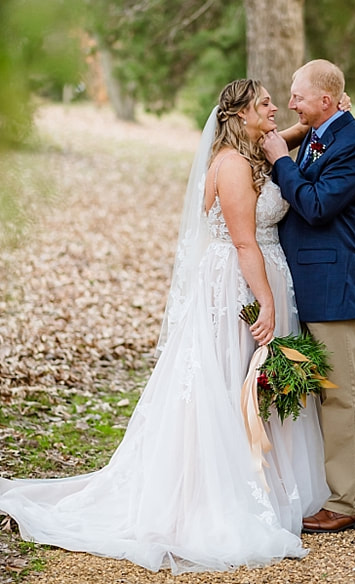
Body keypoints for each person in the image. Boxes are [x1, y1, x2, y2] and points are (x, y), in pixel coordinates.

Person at [0, 80, 330, 573]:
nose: (274, 108)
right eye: (264, 103)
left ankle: (265, 482)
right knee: (230, 380)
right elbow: (244, 243)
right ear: (241, 115)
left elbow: (281, 136)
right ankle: (217, 493)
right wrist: (266, 302)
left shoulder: (252, 151)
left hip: (259, 275)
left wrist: (316, 119)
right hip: (240, 284)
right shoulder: (236, 165)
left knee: (251, 381)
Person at [262, 59, 355, 534]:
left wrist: (280, 160)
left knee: (341, 396)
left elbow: (313, 206)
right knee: (313, 393)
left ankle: (350, 502)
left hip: (336, 287)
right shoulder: (321, 132)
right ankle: (329, 488)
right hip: (304, 286)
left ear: (326, 101)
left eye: (299, 97)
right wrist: (289, 139)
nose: (292, 103)